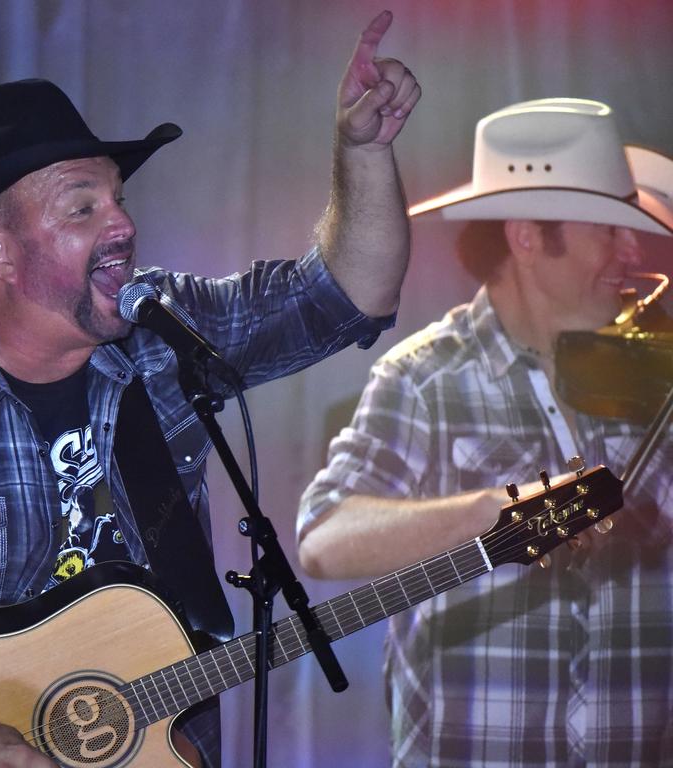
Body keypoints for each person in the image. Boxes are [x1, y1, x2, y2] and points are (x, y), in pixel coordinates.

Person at [0, 10, 419, 768]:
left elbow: (346, 294)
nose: (123, 223)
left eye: (119, 197)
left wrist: (364, 150)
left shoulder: (162, 338)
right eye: (83, 207)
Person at [298, 97, 673, 768]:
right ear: (528, 236)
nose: (632, 250)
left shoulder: (654, 371)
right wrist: (491, 512)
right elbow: (326, 539)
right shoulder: (425, 379)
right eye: (608, 230)